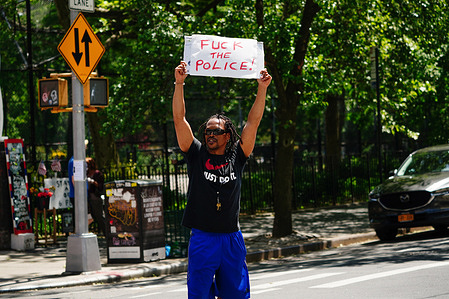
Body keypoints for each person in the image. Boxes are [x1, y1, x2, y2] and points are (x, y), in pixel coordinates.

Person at [173, 61, 272, 298]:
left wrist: (262, 88)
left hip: (231, 238)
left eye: (216, 131)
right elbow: (179, 119)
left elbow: (253, 122)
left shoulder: (238, 155)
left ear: (228, 135)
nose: (210, 135)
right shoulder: (195, 153)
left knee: (236, 294)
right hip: (203, 239)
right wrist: (179, 84)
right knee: (199, 294)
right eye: (207, 131)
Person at [86, 157, 106, 236]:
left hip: (95, 197)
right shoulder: (86, 173)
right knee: (93, 216)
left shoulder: (97, 174)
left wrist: (93, 182)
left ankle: (106, 232)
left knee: (99, 216)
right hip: (89, 197)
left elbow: (100, 186)